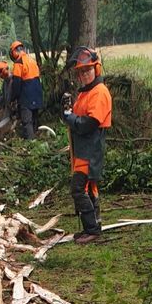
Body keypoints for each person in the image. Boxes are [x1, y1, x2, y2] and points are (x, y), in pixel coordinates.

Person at [62, 47, 112, 244]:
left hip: (90, 147)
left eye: (87, 71)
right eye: (81, 72)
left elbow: (89, 124)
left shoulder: (99, 92)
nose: (83, 75)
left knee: (78, 188)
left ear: (96, 69)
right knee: (89, 188)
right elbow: (75, 118)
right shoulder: (86, 92)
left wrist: (71, 118)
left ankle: (92, 229)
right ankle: (93, 226)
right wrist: (66, 112)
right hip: (82, 148)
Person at [8, 41, 43, 140]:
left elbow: (16, 84)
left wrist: (13, 98)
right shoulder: (31, 60)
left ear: (14, 51)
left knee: (27, 120)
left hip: (27, 94)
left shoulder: (19, 63)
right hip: (37, 91)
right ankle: (36, 138)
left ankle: (30, 142)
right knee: (34, 118)